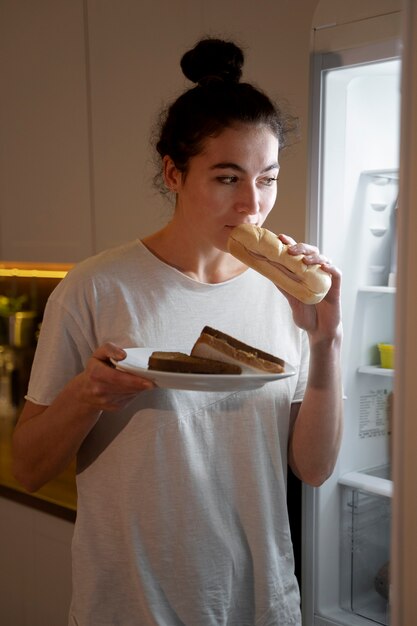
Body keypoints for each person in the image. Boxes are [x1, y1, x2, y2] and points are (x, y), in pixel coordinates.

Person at [12, 38, 343, 626]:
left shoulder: (286, 293)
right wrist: (89, 395)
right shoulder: (95, 288)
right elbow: (30, 468)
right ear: (174, 173)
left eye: (267, 179)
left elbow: (313, 469)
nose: (252, 206)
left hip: (260, 602)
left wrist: (325, 343)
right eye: (226, 178)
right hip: (129, 606)